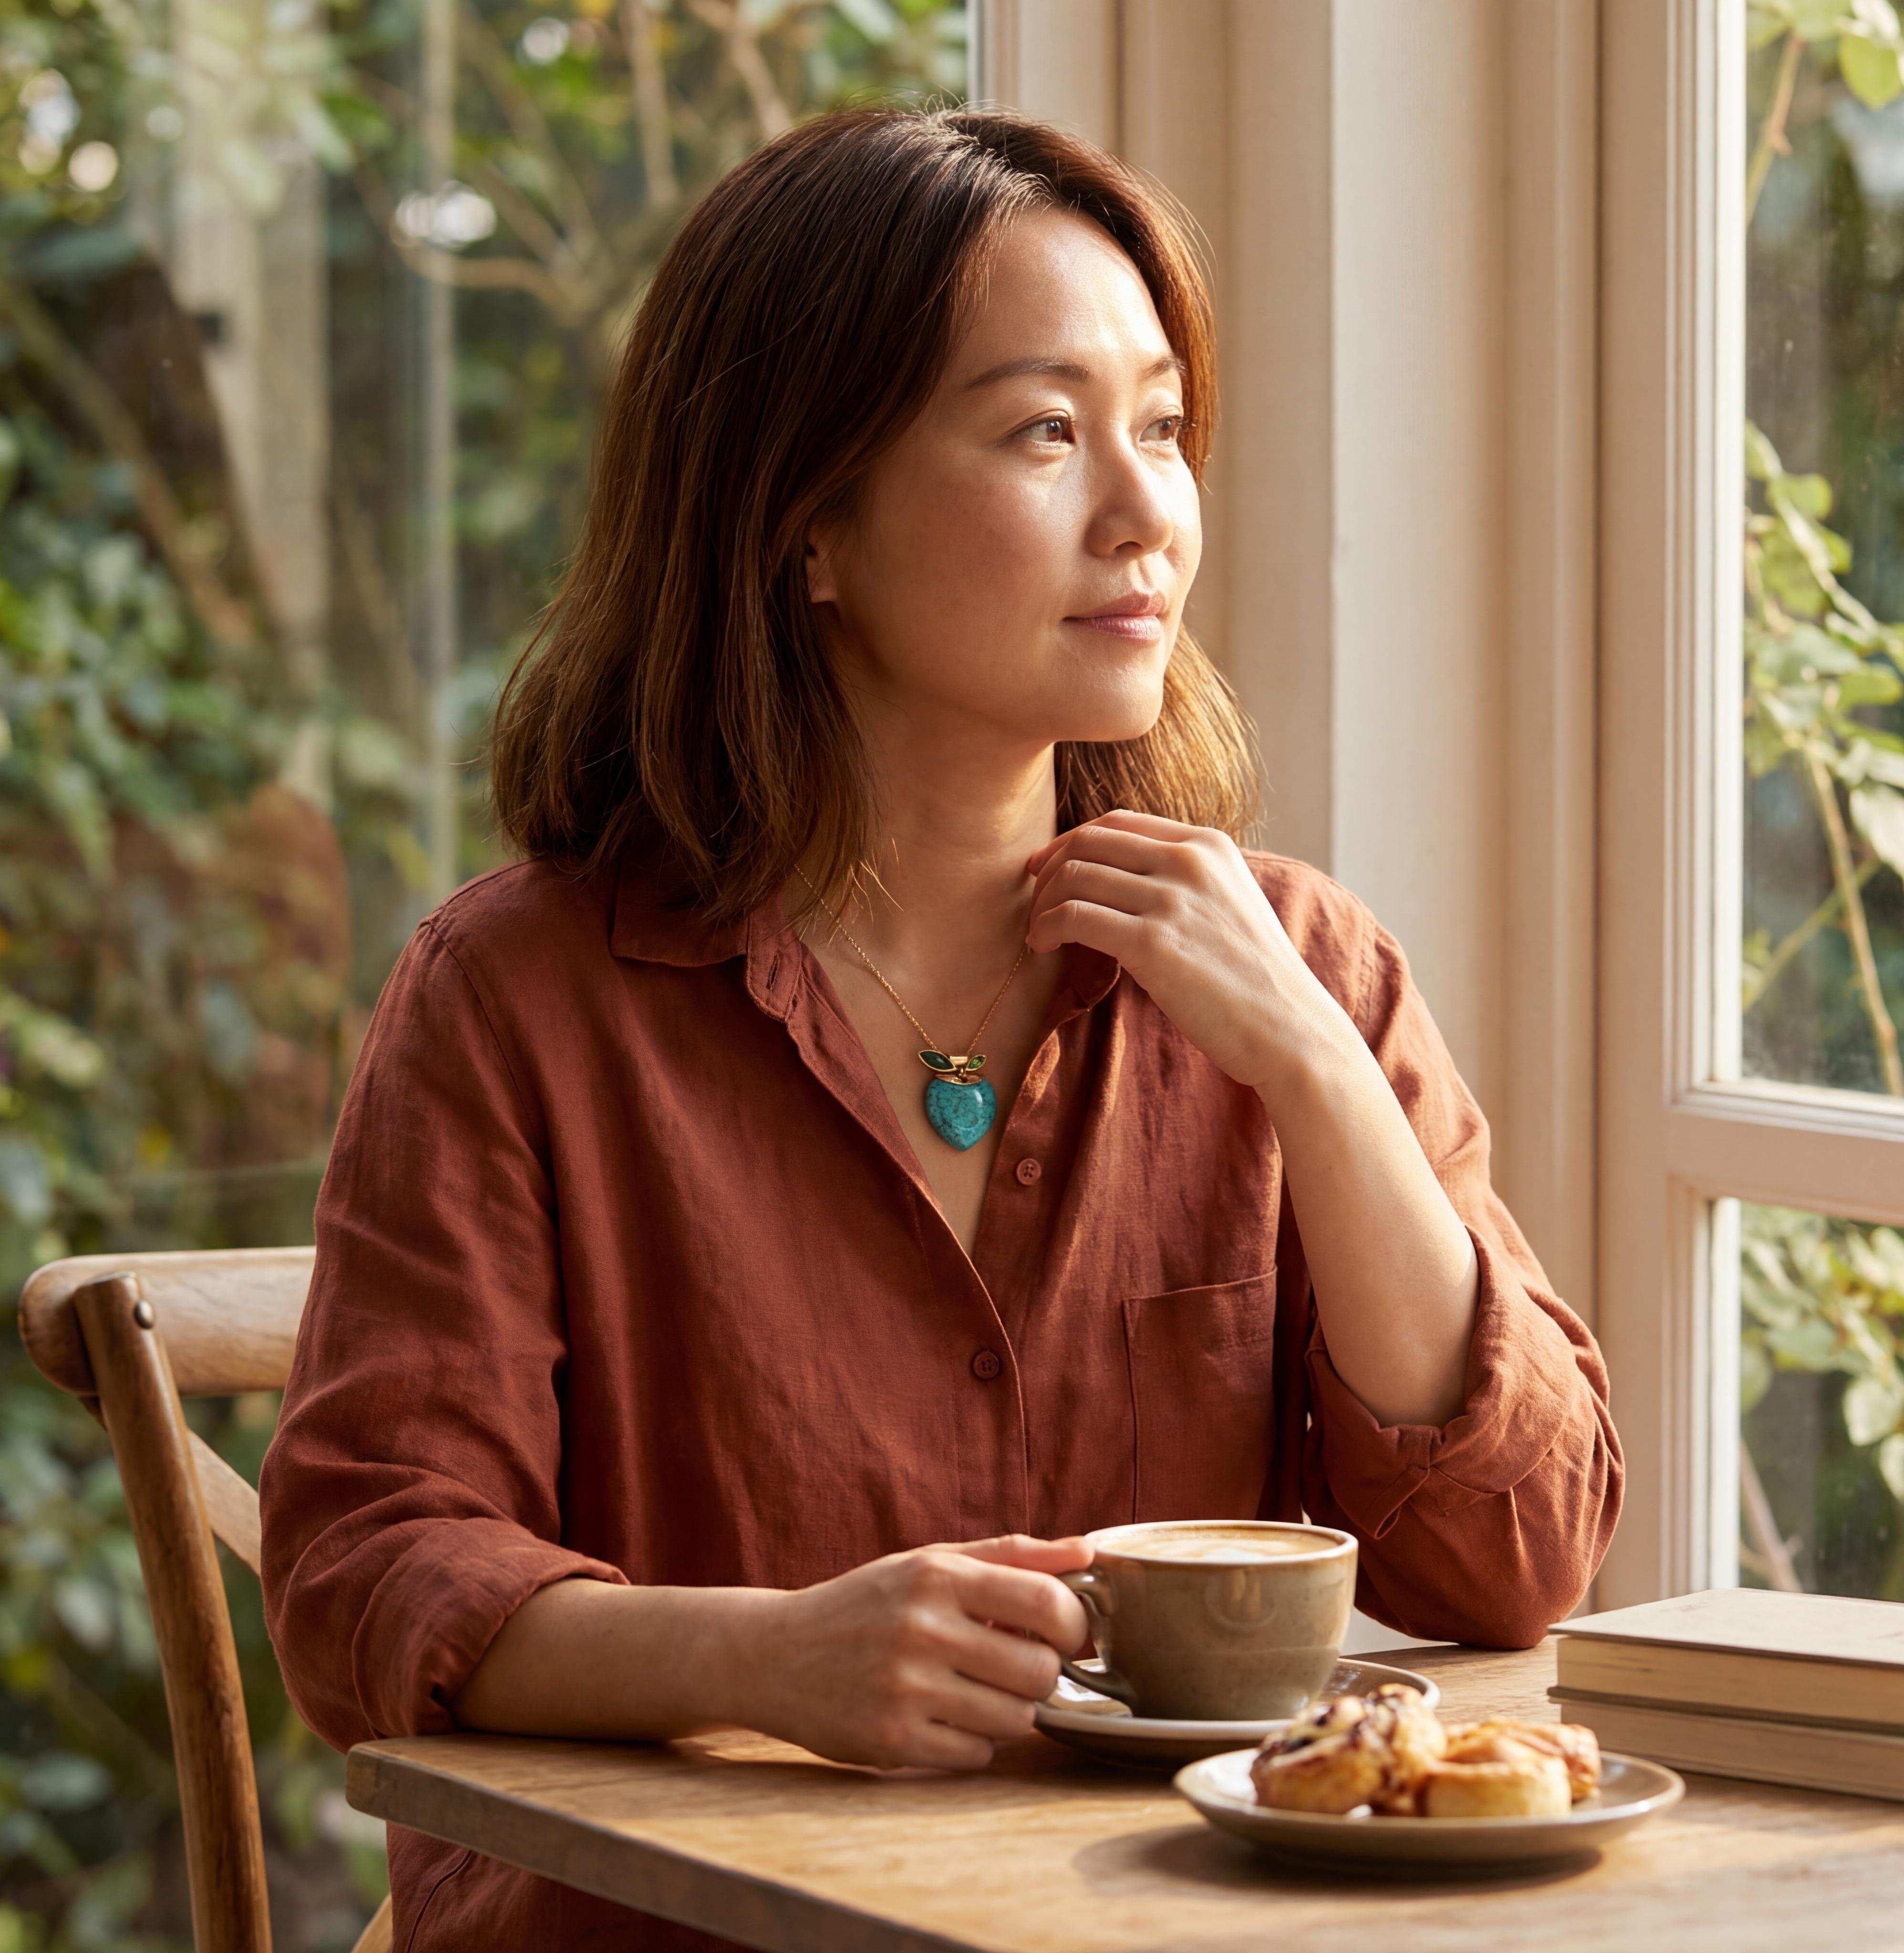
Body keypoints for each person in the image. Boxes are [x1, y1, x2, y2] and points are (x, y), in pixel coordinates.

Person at [259, 104, 1622, 1951]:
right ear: (805, 518)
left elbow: (1516, 1558)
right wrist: (774, 1654)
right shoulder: (516, 1003)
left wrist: (1313, 1074)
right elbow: (365, 1576)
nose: (1146, 513)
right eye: (1046, 432)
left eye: (1161, 426)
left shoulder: (1299, 967)